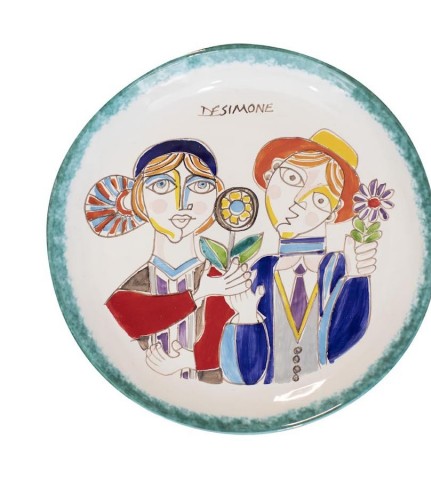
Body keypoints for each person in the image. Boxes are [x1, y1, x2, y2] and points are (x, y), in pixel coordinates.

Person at [85, 139, 253, 384]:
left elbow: (240, 360)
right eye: (162, 184)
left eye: (200, 185)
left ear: (217, 196)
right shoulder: (131, 291)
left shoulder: (222, 282)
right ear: (138, 199)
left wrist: (192, 360)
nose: (182, 202)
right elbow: (130, 319)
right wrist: (198, 294)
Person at [221, 130, 377, 384]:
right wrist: (247, 317)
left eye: (320, 198)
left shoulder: (341, 267)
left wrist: (356, 280)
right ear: (270, 175)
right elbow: (244, 376)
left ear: (333, 212)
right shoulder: (259, 270)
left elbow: (342, 346)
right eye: (292, 178)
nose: (298, 201)